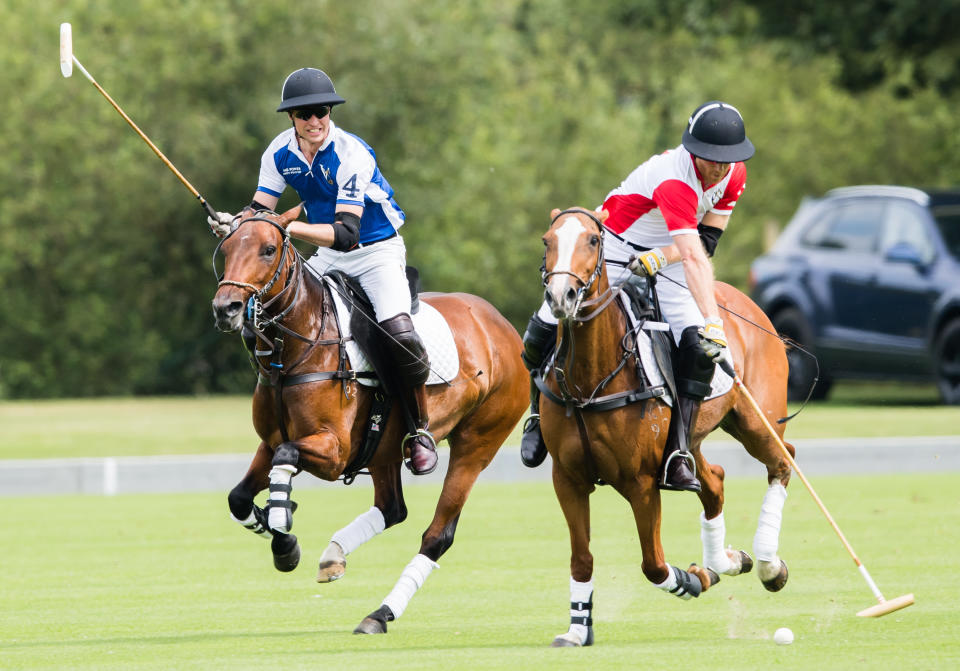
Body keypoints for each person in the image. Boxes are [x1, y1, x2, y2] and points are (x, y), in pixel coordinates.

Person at [208, 67, 438, 475]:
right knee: (268, 313)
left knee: (400, 333)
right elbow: (262, 210)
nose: (315, 120)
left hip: (375, 251)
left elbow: (348, 233)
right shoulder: (280, 153)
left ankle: (418, 430)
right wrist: (237, 224)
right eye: (304, 114)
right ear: (291, 119)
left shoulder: (353, 154)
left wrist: (288, 227)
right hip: (325, 253)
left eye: (322, 111)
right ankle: (287, 406)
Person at [519, 100, 755, 492]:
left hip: (670, 256)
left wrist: (663, 260)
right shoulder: (674, 179)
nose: (718, 166)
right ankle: (537, 418)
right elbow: (694, 252)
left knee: (697, 348)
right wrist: (716, 319)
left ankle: (679, 450)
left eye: (726, 158)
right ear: (692, 149)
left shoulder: (734, 174)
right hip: (610, 246)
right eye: (709, 157)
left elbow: (705, 241)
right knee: (544, 327)